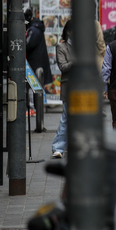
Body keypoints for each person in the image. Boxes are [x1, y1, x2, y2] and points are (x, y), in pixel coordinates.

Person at [51, 21, 73, 159]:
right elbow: (63, 67)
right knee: (66, 118)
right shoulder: (61, 46)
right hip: (69, 86)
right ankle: (58, 148)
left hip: (83, 86)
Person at [25, 9, 53, 88]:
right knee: (38, 88)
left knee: (35, 88)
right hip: (38, 63)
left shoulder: (34, 30)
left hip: (35, 63)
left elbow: (28, 44)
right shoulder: (37, 27)